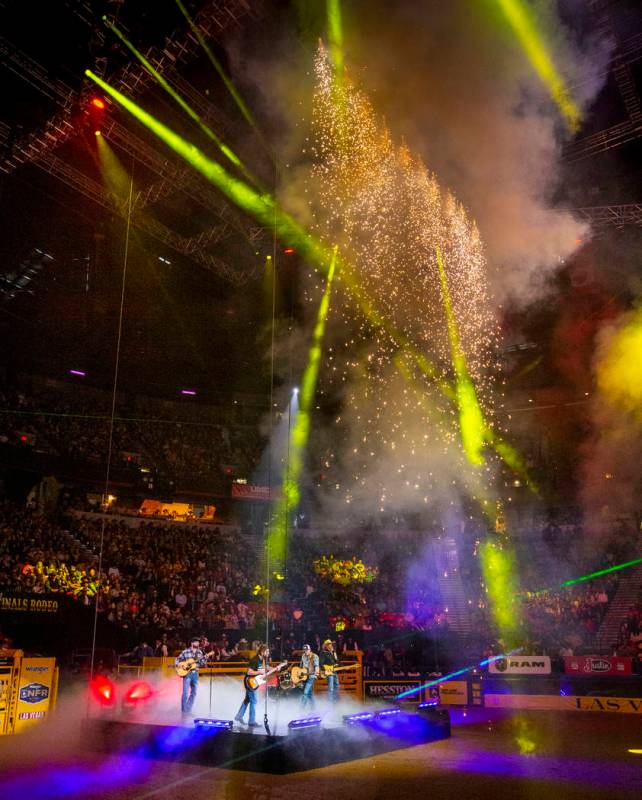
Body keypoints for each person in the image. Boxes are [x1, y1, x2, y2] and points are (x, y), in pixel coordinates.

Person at [235, 642, 270, 728]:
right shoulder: (255, 659)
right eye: (267, 652)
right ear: (262, 651)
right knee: (253, 701)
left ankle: (238, 716)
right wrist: (259, 672)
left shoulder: (262, 660)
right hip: (249, 682)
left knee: (247, 700)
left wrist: (276, 668)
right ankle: (251, 721)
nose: (268, 653)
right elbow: (249, 672)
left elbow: (264, 669)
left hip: (253, 682)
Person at [174, 637, 211, 715]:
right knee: (185, 693)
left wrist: (205, 659)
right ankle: (183, 711)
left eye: (198, 642)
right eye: (196, 642)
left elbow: (201, 663)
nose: (198, 643)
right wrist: (181, 665)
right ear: (192, 643)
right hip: (187, 674)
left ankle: (188, 709)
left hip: (195, 674)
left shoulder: (199, 652)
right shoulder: (186, 651)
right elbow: (177, 659)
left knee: (194, 693)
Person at [300, 643, 319, 709]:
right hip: (305, 676)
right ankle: (313, 708)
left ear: (310, 650)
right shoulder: (303, 656)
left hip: (311, 676)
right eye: (304, 650)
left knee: (305, 693)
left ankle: (301, 709)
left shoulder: (315, 656)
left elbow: (317, 666)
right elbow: (302, 666)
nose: (305, 651)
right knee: (310, 694)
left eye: (307, 650)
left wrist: (316, 671)